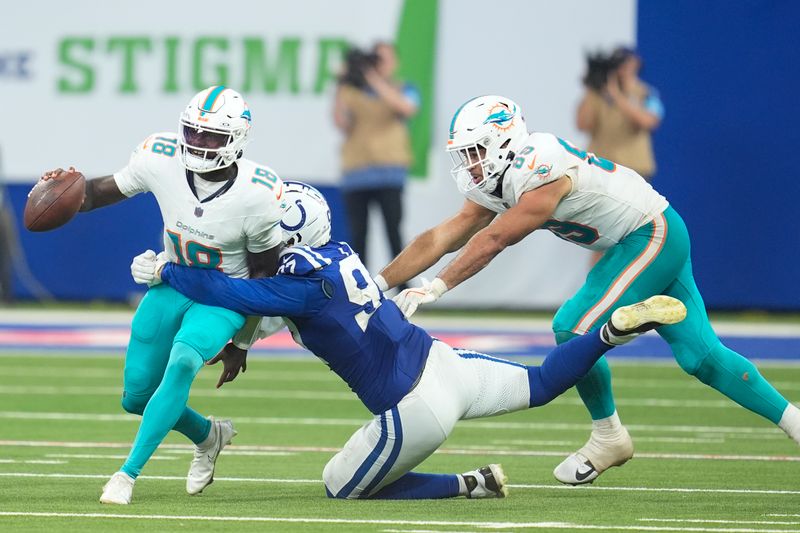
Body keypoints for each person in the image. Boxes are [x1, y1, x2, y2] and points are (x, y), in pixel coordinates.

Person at [130, 181, 687, 500]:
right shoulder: (341, 255)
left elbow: (229, 290)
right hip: (442, 360)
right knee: (542, 382)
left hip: (413, 405)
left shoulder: (300, 286)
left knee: (338, 487)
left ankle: (467, 484)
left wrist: (166, 271)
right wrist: (243, 340)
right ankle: (609, 333)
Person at [376, 95, 800, 485]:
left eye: (475, 151)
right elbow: (441, 236)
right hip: (643, 238)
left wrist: (435, 287)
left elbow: (495, 239)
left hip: (651, 235)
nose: (470, 164)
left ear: (504, 141)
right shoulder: (502, 176)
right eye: (465, 155)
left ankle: (608, 435)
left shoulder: (538, 164)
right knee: (701, 358)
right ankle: (795, 423)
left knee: (573, 325)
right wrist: (378, 283)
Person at [38, 86, 286, 504]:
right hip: (171, 283)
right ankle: (209, 435)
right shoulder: (160, 156)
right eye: (193, 132)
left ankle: (127, 473)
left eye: (212, 136)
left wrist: (241, 343)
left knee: (184, 360)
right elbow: (100, 192)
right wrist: (67, 189)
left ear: (237, 140)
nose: (199, 143)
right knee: (136, 397)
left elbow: (264, 277)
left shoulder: (259, 193)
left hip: (223, 297)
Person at [333, 42, 419, 274]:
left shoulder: (404, 88)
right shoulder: (352, 92)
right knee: (358, 236)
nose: (378, 65)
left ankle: (402, 284)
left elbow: (407, 108)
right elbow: (341, 123)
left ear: (394, 62)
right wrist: (341, 84)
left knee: (394, 232)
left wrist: (373, 79)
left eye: (383, 60)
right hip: (356, 173)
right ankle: (358, 286)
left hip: (389, 172)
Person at [576, 47, 663, 182]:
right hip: (600, 167)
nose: (621, 69)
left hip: (634, 168)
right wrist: (591, 88)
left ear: (636, 64)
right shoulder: (598, 95)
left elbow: (648, 122)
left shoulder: (646, 93)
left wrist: (618, 95)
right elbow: (583, 125)